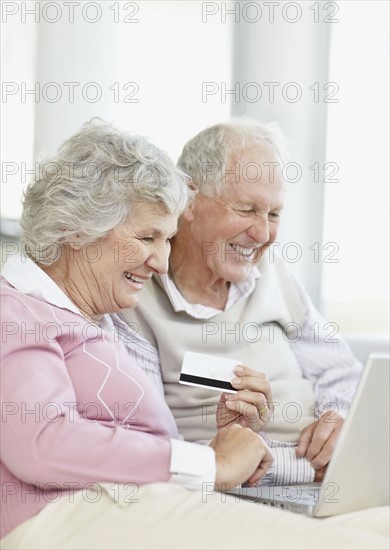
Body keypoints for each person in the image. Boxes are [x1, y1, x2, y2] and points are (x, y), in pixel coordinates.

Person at [1, 119, 388, 550]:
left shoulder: (88, 314)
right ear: (78, 231)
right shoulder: (24, 309)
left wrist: (228, 438)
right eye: (148, 236)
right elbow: (41, 443)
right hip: (80, 514)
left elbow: (143, 441)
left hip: (150, 498)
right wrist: (212, 460)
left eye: (274, 214)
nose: (160, 263)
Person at [117, 119, 364, 484]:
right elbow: (156, 448)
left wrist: (338, 423)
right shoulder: (135, 297)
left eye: (274, 214)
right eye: (247, 210)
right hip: (240, 491)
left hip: (327, 477)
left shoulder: (273, 273)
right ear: (189, 198)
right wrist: (311, 468)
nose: (263, 233)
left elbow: (340, 371)